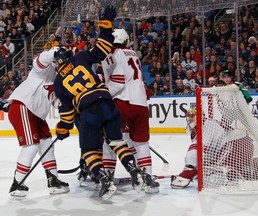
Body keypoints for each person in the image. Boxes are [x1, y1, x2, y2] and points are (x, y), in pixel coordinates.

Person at [53, 6, 143, 200]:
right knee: (117, 142)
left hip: (88, 111)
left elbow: (67, 112)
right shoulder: (81, 57)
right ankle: (134, 171)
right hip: (107, 102)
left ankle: (104, 181)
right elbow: (102, 48)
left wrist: (63, 128)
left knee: (89, 151)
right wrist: (105, 26)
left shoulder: (58, 83)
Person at [6, 46, 70, 197]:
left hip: (37, 115)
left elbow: (56, 102)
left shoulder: (59, 78)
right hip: (23, 106)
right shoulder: (43, 69)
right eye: (61, 59)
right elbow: (40, 60)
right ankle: (18, 183)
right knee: (32, 146)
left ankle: (53, 179)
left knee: (46, 142)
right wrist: (54, 52)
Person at [101, 28, 160, 193]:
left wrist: (100, 94)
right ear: (126, 41)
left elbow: (118, 83)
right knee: (142, 143)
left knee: (110, 142)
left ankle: (108, 176)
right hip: (140, 104)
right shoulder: (134, 54)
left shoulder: (111, 55)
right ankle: (148, 177)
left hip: (122, 103)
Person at [170, 108, 198, 188]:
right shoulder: (195, 127)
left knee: (192, 151)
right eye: (188, 116)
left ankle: (191, 170)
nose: (190, 118)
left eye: (192, 116)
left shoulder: (201, 126)